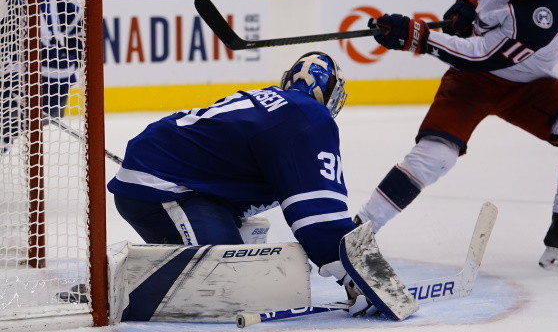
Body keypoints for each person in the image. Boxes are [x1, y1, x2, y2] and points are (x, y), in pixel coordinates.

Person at [355, 0, 558, 273]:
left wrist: (417, 37)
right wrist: (469, 4)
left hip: (527, 85)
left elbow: (480, 55)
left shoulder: (544, 18)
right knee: (434, 156)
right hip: (472, 84)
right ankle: (359, 229)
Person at [106, 51, 413, 316]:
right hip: (165, 187)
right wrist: (359, 275)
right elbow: (319, 218)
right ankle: (112, 291)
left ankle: (141, 273)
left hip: (174, 179)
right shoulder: (309, 118)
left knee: (244, 270)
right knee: (230, 286)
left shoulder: (278, 104)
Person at [0, 0, 84, 154]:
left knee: (7, 132)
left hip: (28, 74)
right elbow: (77, 22)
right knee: (12, 131)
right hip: (57, 72)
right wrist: (72, 60)